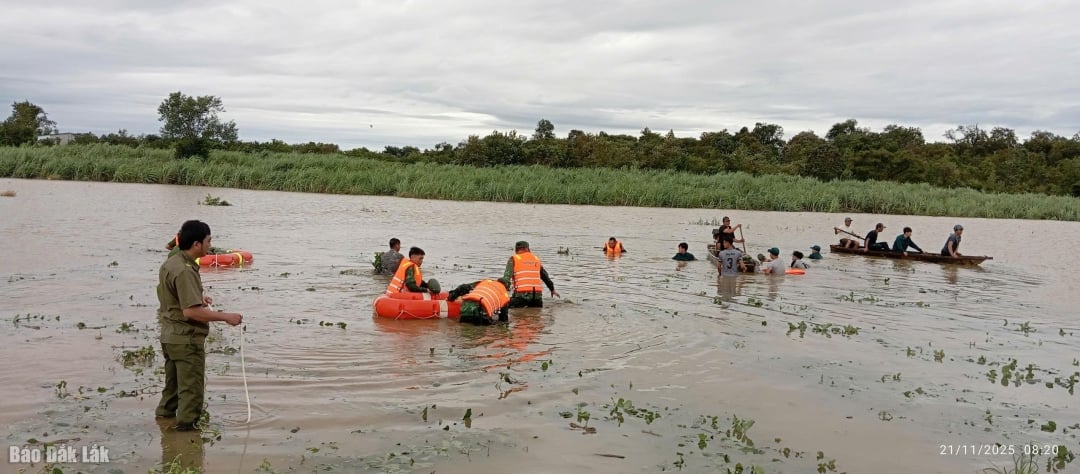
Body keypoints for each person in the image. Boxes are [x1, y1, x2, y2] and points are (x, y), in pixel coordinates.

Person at [155, 220, 243, 432]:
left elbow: (173, 296)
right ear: (196, 244)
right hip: (186, 340)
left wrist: (197, 298)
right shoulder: (185, 270)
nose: (210, 245)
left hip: (169, 337)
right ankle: (186, 436)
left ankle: (164, 422)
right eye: (208, 241)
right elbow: (190, 312)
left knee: (172, 389)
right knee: (191, 392)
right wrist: (225, 317)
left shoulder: (172, 262)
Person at [503, 241, 560, 307]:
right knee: (536, 312)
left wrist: (502, 291)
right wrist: (552, 289)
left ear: (516, 250)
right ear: (528, 249)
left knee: (504, 307)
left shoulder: (514, 259)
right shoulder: (536, 259)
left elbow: (506, 278)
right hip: (537, 297)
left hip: (521, 296)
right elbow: (545, 276)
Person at [446, 278, 511, 325]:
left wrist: (451, 298)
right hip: (481, 316)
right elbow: (503, 320)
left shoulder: (485, 282)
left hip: (465, 312)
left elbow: (463, 287)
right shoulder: (504, 296)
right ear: (507, 288)